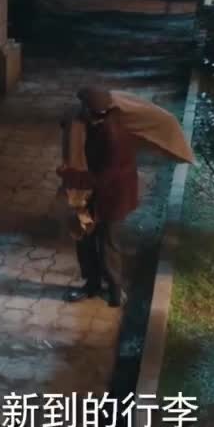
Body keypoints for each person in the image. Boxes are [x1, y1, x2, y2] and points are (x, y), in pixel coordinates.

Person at [58, 87, 138, 307]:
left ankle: (115, 290)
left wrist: (70, 176)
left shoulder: (114, 135)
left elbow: (104, 177)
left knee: (108, 244)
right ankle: (92, 284)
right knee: (84, 236)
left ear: (91, 111)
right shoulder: (98, 122)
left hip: (113, 198)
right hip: (96, 195)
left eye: (83, 107)